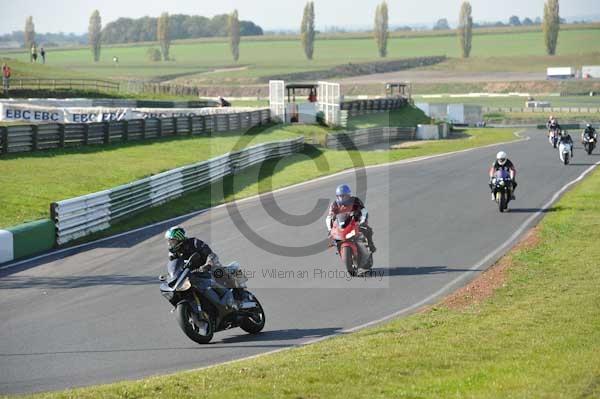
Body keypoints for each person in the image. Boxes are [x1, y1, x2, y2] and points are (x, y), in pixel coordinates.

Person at [164, 226, 229, 299]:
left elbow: (211, 255)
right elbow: (173, 266)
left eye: (172, 241)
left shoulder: (195, 243)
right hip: (191, 274)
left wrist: (208, 265)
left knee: (218, 279)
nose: (169, 244)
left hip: (207, 269)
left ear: (179, 239)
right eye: (169, 241)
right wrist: (170, 275)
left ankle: (231, 298)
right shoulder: (173, 253)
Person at [326, 184, 376, 253]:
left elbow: (364, 211)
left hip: (355, 222)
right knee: (332, 236)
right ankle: (338, 246)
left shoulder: (355, 200)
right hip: (341, 224)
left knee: (367, 229)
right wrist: (329, 229)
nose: (342, 198)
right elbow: (329, 217)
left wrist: (362, 221)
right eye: (340, 196)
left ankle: (370, 244)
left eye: (344, 196)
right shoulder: (334, 204)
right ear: (337, 197)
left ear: (349, 195)